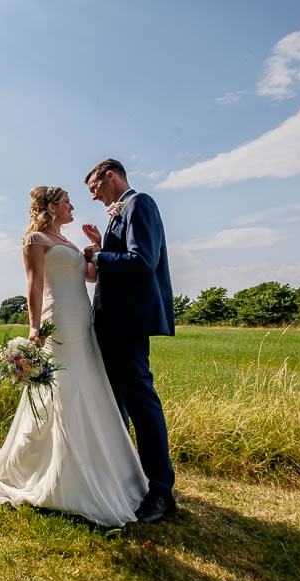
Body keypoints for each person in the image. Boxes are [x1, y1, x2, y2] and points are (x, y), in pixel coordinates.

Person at [0, 185, 148, 527]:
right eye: (67, 202)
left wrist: (96, 247)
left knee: (88, 384)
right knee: (62, 387)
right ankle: (55, 471)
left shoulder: (69, 242)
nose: (73, 206)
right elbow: (35, 283)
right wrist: (34, 326)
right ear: (51, 206)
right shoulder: (35, 240)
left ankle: (98, 467)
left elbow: (91, 276)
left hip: (82, 321)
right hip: (58, 318)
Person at [83, 158, 177, 523]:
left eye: (95, 188)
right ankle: (125, 480)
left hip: (128, 322)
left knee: (140, 403)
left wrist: (97, 254)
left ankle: (161, 492)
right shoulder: (118, 213)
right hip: (110, 322)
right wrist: (101, 243)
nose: (95, 196)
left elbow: (141, 260)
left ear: (110, 176)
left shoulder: (140, 203)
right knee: (116, 404)